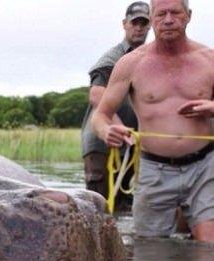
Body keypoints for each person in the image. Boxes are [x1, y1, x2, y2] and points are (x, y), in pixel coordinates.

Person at [92, 0, 214, 242]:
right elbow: (101, 114)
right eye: (161, 14)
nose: (168, 19)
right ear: (152, 18)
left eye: (175, 13)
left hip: (205, 166)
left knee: (209, 243)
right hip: (154, 169)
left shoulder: (209, 60)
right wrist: (107, 130)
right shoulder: (131, 63)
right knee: (150, 251)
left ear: (188, 16)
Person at [81, 1, 151, 211]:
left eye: (143, 23)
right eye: (134, 23)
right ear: (125, 24)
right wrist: (117, 127)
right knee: (99, 205)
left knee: (124, 206)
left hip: (131, 145)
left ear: (150, 26)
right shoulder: (112, 58)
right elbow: (96, 94)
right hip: (102, 143)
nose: (138, 27)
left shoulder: (152, 58)